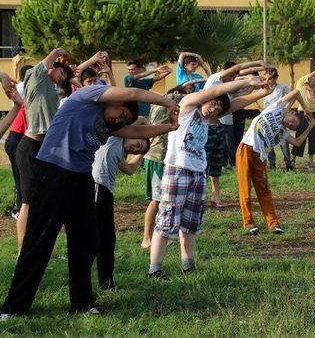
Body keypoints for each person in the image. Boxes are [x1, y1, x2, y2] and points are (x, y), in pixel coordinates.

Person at [0, 84, 179, 318]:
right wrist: (167, 102)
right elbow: (134, 93)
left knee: (85, 243)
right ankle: (14, 308)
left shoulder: (109, 125)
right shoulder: (87, 97)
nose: (119, 121)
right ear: (116, 100)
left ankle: (82, 303)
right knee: (40, 240)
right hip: (53, 171)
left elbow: (136, 132)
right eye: (122, 114)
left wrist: (170, 127)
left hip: (81, 177)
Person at [149, 76, 269, 278]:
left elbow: (235, 104)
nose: (214, 109)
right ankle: (155, 269)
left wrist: (263, 92)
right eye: (213, 104)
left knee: (191, 223)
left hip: (198, 174)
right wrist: (245, 81)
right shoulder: (187, 106)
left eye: (218, 109)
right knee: (167, 221)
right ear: (205, 99)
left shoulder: (207, 118)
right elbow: (214, 93)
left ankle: (188, 265)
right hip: (177, 171)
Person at [0, 47, 73, 252]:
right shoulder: (36, 77)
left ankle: (34, 247)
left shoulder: (53, 90)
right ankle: (23, 252)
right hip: (29, 146)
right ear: (51, 67)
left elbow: (74, 82)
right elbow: (46, 63)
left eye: (65, 76)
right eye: (61, 72)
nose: (62, 77)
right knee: (27, 202)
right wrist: (58, 50)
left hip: (44, 148)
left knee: (41, 200)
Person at [238, 88, 315, 235]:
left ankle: (273, 224)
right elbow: (296, 93)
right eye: (293, 121)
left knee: (265, 191)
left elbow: (298, 142)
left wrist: (311, 127)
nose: (291, 125)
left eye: (293, 126)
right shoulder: (276, 108)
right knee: (245, 189)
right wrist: (306, 110)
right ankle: (249, 223)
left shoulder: (283, 133)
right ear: (290, 112)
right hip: (246, 148)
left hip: (260, 158)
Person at [202, 60, 264, 208]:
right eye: (231, 76)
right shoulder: (214, 81)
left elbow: (243, 95)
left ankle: (215, 196)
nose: (232, 79)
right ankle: (199, 196)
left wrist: (260, 86)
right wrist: (256, 63)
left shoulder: (228, 92)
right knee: (202, 164)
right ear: (226, 72)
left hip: (218, 128)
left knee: (216, 164)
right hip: (205, 129)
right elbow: (238, 69)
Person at [92, 135, 149, 290]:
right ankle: (104, 282)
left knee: (108, 239)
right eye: (137, 144)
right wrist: (150, 131)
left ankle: (106, 281)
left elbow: (130, 169)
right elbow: (139, 122)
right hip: (97, 188)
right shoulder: (115, 137)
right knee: (99, 237)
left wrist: (143, 152)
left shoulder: (119, 150)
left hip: (106, 192)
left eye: (138, 149)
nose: (135, 149)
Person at [141, 87, 187, 249]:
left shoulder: (159, 104)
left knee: (162, 199)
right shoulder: (165, 105)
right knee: (156, 200)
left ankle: (158, 235)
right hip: (156, 158)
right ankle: (146, 238)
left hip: (161, 158)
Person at [4, 64, 31, 219]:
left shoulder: (20, 87)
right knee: (21, 176)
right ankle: (19, 210)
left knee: (23, 175)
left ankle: (21, 208)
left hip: (19, 136)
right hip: (17, 136)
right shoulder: (23, 87)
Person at [263, 67, 293, 170]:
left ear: (276, 78)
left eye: (272, 78)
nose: (269, 81)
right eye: (267, 78)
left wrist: (287, 108)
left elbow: (292, 96)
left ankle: (288, 164)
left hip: (280, 119)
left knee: (283, 142)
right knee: (269, 143)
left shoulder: (282, 87)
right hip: (268, 120)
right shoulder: (264, 89)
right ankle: (272, 165)